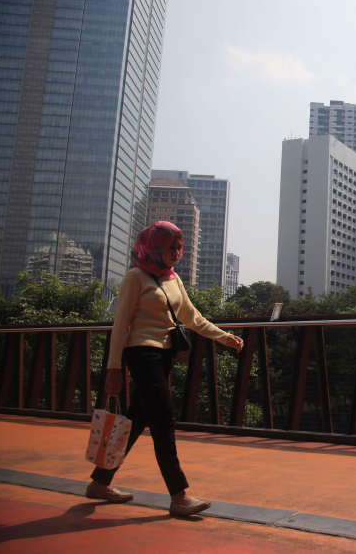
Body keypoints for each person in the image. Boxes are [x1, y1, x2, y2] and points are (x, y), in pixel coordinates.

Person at [85, 221, 244, 517]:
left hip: (165, 355)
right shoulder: (135, 277)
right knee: (164, 419)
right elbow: (120, 326)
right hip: (140, 352)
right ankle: (178, 495)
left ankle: (100, 482)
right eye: (171, 247)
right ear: (154, 246)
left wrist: (224, 337)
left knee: (137, 418)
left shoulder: (173, 280)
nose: (177, 252)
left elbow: (192, 317)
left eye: (179, 247)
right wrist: (114, 368)